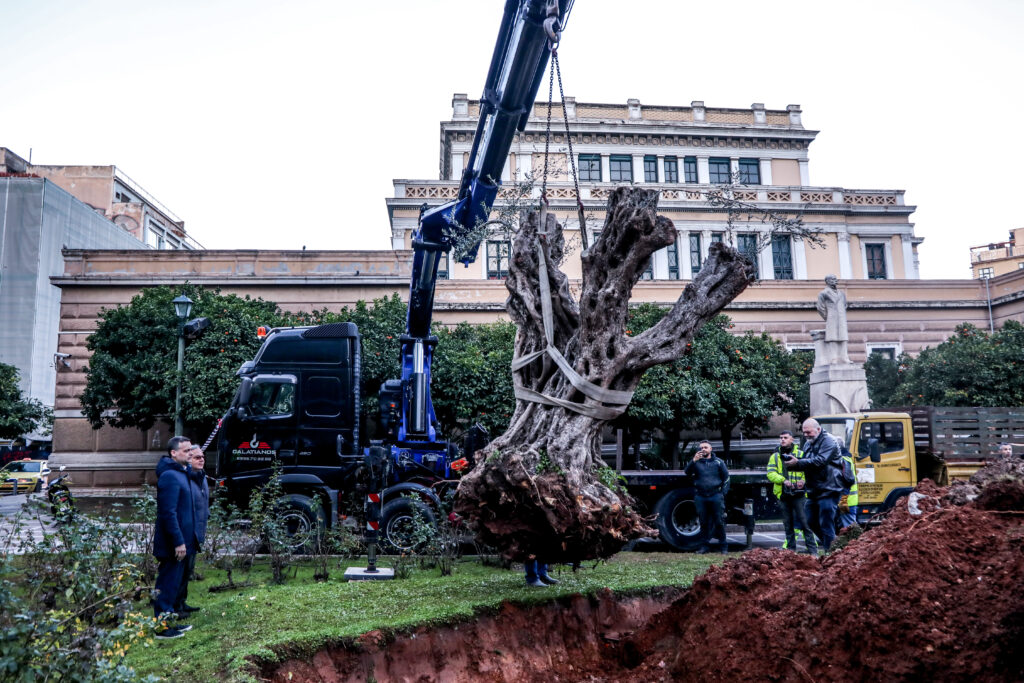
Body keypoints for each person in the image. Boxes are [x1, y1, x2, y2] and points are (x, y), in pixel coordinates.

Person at [152, 436, 198, 639]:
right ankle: (162, 629)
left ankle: (169, 623)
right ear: (173, 453)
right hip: (173, 544)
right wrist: (178, 541)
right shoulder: (170, 476)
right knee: (166, 584)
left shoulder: (182, 473)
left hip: (182, 543)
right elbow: (168, 513)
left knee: (173, 586)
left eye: (190, 450)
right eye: (186, 451)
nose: (190, 454)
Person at [784, 419, 844, 552]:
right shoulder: (808, 444)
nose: (806, 435)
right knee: (810, 520)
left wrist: (798, 463)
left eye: (808, 432)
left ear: (818, 429)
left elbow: (820, 461)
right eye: (804, 433)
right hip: (814, 490)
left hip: (829, 488)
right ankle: (835, 546)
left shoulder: (829, 441)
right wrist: (792, 465)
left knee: (825, 522)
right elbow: (808, 464)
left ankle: (831, 551)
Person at [766, 431, 818, 555]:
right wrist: (783, 480)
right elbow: (770, 473)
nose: (782, 440)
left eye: (785, 438)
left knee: (806, 523)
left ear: (792, 440)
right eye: (781, 438)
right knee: (788, 525)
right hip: (783, 494)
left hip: (799, 494)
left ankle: (813, 551)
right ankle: (790, 551)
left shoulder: (801, 454)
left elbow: (809, 471)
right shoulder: (775, 456)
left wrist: (802, 481)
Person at [173, 445, 210, 617]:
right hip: (185, 533)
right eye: (197, 457)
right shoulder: (184, 479)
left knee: (188, 570)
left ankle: (182, 602)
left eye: (202, 457)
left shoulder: (202, 477)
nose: (201, 459)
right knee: (179, 572)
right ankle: (174, 607)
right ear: (188, 460)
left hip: (197, 534)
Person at [684, 440, 730, 555]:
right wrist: (693, 461)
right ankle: (704, 547)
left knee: (719, 521)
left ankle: (723, 546)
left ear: (711, 449)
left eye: (705, 447)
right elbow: (687, 473)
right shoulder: (696, 462)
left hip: (715, 496)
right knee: (703, 522)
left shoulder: (718, 462)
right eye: (701, 447)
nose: (703, 449)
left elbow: (727, 478)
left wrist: (722, 493)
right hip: (701, 496)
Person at [835, 437, 859, 530]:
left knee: (850, 528)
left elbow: (848, 480)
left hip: (846, 500)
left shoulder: (843, 460)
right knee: (846, 527)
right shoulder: (845, 459)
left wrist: (843, 498)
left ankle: (856, 544)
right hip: (846, 500)